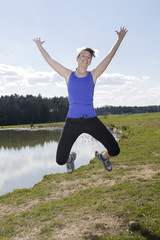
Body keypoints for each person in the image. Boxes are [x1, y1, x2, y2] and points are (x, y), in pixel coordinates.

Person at [33, 26, 128, 174]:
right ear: (77, 59)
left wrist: (119, 39)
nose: (86, 58)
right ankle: (70, 159)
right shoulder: (68, 74)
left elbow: (109, 56)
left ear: (90, 62)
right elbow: (49, 59)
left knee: (115, 150)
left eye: (88, 57)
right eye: (83, 55)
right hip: (72, 122)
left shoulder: (94, 75)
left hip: (91, 120)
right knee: (60, 160)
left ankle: (103, 157)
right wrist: (39, 46)